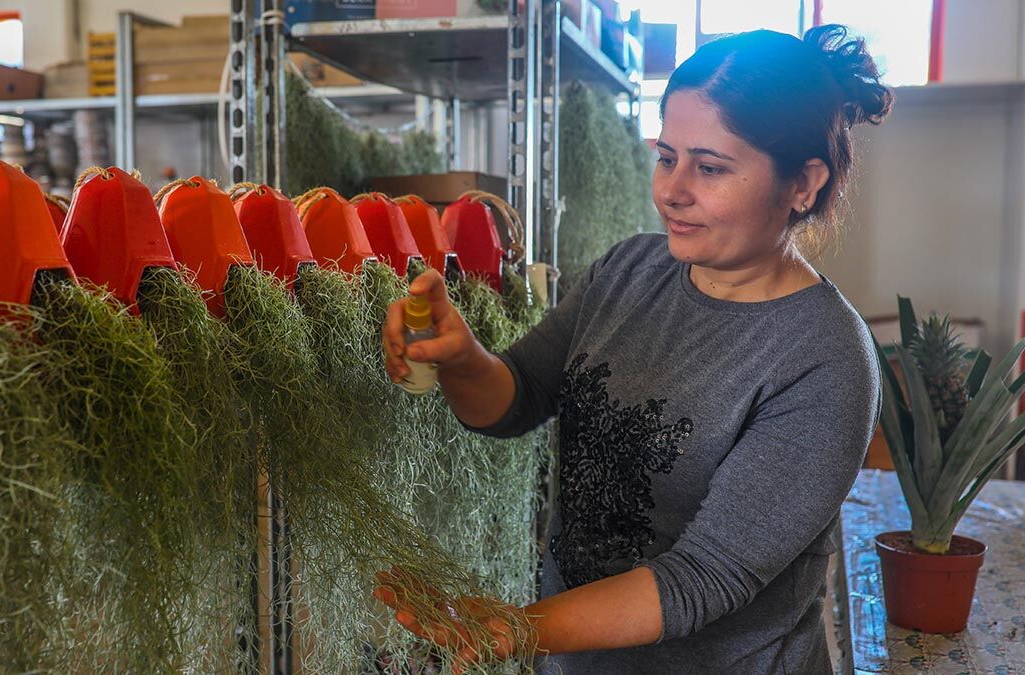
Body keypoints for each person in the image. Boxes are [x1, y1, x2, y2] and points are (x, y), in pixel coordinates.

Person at [377, 23, 892, 675]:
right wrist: (460, 358)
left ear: (803, 183)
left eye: (710, 167)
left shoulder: (825, 358)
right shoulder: (627, 272)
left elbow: (704, 577)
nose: (673, 190)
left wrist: (510, 628)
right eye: (667, 157)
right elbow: (516, 395)